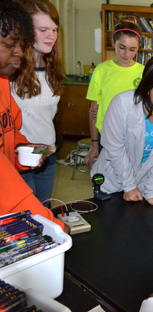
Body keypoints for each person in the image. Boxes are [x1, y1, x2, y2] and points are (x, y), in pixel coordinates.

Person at [0, 0, 66, 232]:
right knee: (27, 222)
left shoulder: (53, 70)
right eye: (43, 30)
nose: (51, 36)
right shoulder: (9, 70)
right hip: (18, 160)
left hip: (45, 155)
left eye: (55, 30)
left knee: (44, 211)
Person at [91, 53, 153, 206]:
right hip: (111, 181)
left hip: (143, 185)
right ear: (148, 87)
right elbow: (114, 149)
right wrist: (129, 186)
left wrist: (152, 192)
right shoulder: (122, 104)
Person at [84, 22, 145, 168]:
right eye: (121, 47)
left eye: (132, 49)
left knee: (129, 182)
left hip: (133, 137)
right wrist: (94, 145)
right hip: (105, 136)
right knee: (105, 182)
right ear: (113, 42)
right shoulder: (101, 70)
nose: (126, 54)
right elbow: (94, 111)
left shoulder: (144, 72)